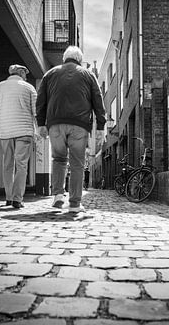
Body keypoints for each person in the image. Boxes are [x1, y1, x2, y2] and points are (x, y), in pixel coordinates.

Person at [36, 45, 106, 213]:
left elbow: (41, 100)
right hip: (79, 125)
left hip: (55, 124)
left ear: (64, 58)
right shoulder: (88, 75)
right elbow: (98, 99)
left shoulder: (50, 74)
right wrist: (101, 126)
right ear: (80, 60)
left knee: (59, 159)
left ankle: (58, 196)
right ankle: (74, 204)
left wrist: (41, 123)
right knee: (77, 164)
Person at [0, 64, 37, 209]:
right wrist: (39, 132)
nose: (26, 76)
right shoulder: (29, 88)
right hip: (24, 132)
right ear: (21, 73)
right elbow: (36, 112)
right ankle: (17, 199)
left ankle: (9, 197)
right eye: (25, 73)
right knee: (22, 166)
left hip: (6, 132)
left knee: (7, 165)